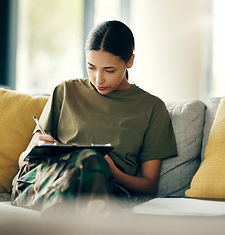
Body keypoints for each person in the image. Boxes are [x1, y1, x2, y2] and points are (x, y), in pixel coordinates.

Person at [11, 20, 177, 215]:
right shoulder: (65, 91)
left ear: (129, 61)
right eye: (91, 67)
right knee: (87, 160)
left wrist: (116, 173)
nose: (98, 79)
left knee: (91, 160)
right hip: (44, 181)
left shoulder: (152, 108)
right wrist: (30, 151)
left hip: (108, 189)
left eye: (109, 70)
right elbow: (24, 163)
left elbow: (148, 188)